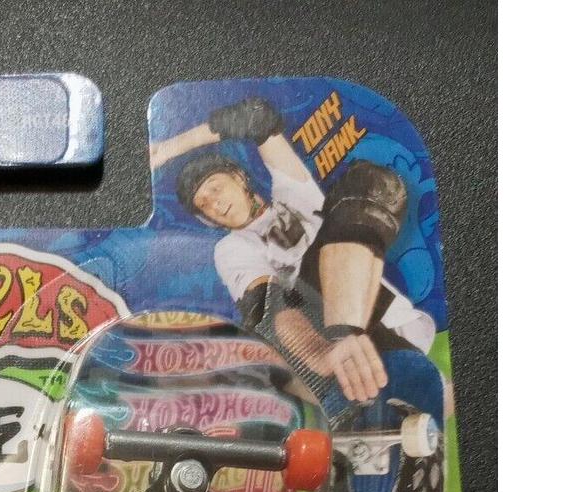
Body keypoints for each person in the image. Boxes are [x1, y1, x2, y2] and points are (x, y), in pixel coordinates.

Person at [150, 97, 434, 405]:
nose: (214, 203)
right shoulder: (231, 248)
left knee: (371, 182)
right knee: (279, 297)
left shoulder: (294, 193)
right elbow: (265, 304)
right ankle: (349, 353)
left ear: (239, 178)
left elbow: (257, 118)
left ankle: (364, 350)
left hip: (391, 323)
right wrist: (316, 349)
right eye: (204, 204)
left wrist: (167, 149)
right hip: (318, 339)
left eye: (215, 188)